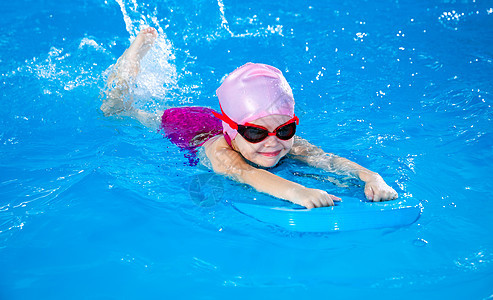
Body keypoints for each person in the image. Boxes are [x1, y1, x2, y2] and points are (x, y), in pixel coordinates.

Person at [101, 27, 398, 209]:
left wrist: (372, 177)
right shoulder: (220, 152)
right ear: (231, 133)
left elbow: (330, 161)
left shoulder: (282, 140)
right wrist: (297, 191)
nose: (272, 142)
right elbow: (245, 173)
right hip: (185, 123)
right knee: (117, 110)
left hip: (227, 115)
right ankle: (135, 55)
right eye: (256, 133)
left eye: (285, 129)